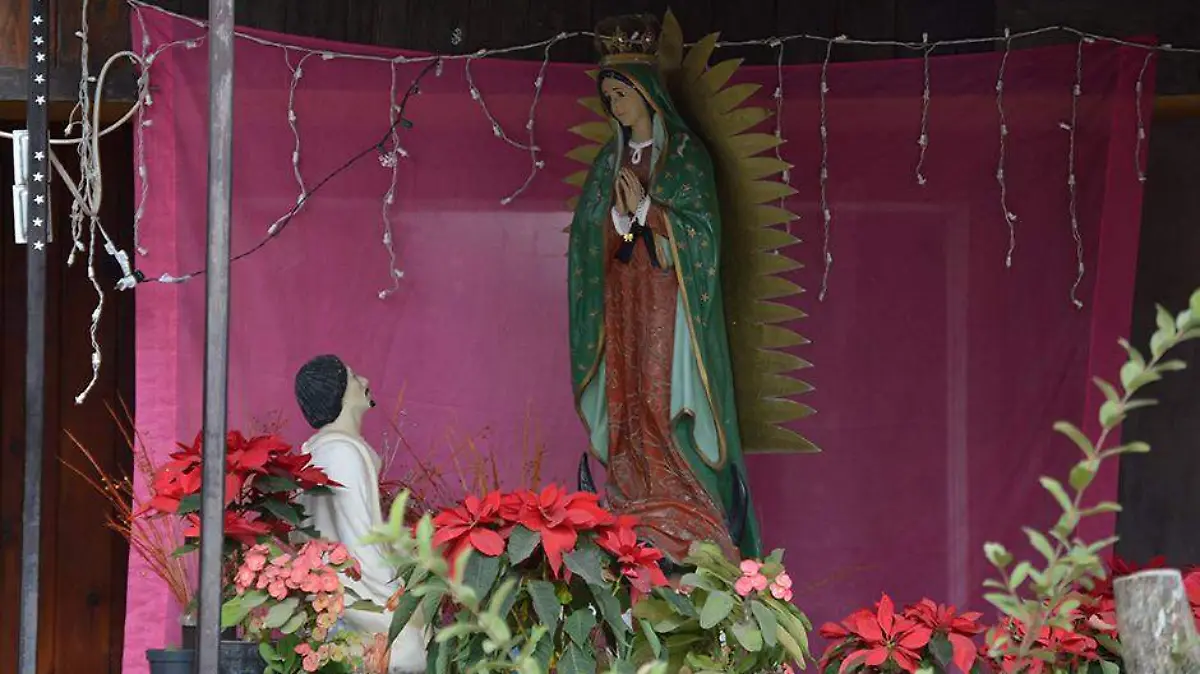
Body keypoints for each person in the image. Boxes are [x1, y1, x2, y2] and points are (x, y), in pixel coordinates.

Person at [567, 15, 762, 565]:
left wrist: (648, 212)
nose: (614, 107)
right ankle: (635, 501)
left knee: (660, 396)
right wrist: (619, 221)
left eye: (621, 95)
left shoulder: (686, 159)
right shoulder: (609, 163)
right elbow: (590, 240)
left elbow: (702, 240)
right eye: (607, 97)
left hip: (672, 310)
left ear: (647, 94)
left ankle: (687, 508)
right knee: (627, 400)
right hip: (624, 303)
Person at [294, 354, 426, 672]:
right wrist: (400, 595)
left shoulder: (317, 450)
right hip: (355, 596)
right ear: (338, 392)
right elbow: (361, 543)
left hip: (325, 594)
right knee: (417, 647)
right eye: (353, 378)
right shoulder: (343, 453)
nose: (364, 382)